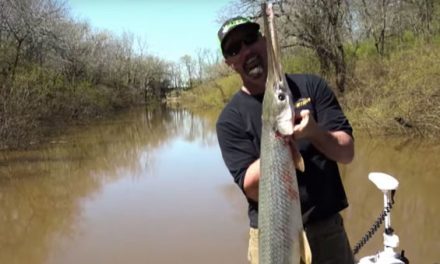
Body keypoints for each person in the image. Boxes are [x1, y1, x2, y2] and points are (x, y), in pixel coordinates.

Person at [215, 16, 355, 264]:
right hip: (270, 233)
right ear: (230, 63)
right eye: (235, 49)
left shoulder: (312, 86)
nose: (246, 51)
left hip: (326, 230)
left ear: (265, 41)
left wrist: (314, 133)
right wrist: (279, 141)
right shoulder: (229, 120)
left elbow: (347, 152)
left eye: (250, 40)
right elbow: (249, 186)